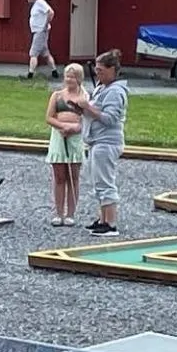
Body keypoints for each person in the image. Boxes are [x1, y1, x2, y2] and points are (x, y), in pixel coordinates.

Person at [75, 49, 129, 237]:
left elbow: (110, 119)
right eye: (96, 70)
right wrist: (81, 109)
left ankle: (111, 223)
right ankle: (102, 219)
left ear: (113, 69)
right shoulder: (101, 88)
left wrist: (87, 107)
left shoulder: (116, 92)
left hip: (107, 142)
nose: (97, 74)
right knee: (98, 181)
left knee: (106, 182)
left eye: (101, 70)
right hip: (96, 141)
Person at [45, 62, 88, 226]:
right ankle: (58, 213)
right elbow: (49, 117)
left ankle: (71, 213)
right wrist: (62, 126)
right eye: (67, 76)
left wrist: (75, 128)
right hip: (58, 138)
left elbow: (86, 119)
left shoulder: (84, 97)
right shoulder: (57, 96)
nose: (69, 79)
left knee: (73, 176)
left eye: (73, 77)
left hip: (75, 139)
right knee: (59, 176)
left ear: (79, 79)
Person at [22, 0, 59, 82]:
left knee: (33, 53)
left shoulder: (40, 3)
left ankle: (30, 74)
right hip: (38, 31)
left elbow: (51, 12)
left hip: (40, 31)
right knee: (45, 54)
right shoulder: (35, 5)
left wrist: (45, 24)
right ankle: (54, 71)